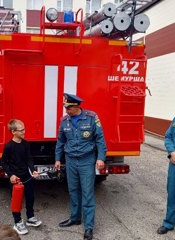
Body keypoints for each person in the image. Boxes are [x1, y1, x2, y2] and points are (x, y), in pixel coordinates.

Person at [55, 93, 107, 240]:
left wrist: (101, 158)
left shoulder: (91, 118)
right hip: (70, 160)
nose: (66, 111)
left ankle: (89, 227)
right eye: (65, 108)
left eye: (68, 108)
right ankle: (75, 218)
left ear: (76, 106)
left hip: (86, 161)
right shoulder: (64, 120)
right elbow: (60, 141)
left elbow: (100, 139)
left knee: (87, 193)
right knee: (73, 191)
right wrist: (58, 159)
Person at [1, 119, 42, 235]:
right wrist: (11, 175)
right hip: (16, 178)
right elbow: (4, 163)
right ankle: (17, 222)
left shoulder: (25, 144)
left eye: (24, 129)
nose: (24, 132)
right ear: (13, 131)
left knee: (30, 197)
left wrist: (33, 171)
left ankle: (30, 218)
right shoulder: (9, 146)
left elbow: (29, 159)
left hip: (26, 175)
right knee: (17, 200)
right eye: (21, 130)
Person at [157, 113, 175, 239]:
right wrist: (172, 152)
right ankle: (168, 223)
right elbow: (168, 137)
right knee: (172, 195)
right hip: (174, 165)